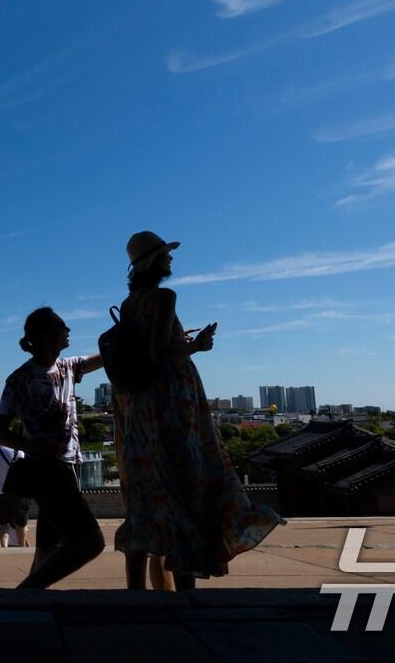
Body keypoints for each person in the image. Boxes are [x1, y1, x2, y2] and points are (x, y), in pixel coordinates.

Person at [113, 232, 283, 591]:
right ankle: (185, 595)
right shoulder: (164, 296)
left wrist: (180, 342)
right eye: (165, 255)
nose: (171, 261)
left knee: (153, 490)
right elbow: (159, 353)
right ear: (153, 261)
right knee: (190, 486)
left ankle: (135, 592)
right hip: (174, 401)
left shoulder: (131, 303)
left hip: (143, 405)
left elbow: (147, 347)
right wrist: (197, 347)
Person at [0, 307, 106, 588]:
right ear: (45, 336)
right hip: (48, 470)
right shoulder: (20, 380)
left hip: (65, 467)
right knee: (90, 542)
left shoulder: (68, 367)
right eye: (62, 327)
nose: (68, 332)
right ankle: (25, 593)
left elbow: (105, 357)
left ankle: (27, 606)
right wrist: (33, 445)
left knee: (46, 546)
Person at [0, 444, 29, 547]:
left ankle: (4, 547)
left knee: (4, 523)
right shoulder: (20, 452)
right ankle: (22, 546)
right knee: (20, 523)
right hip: (17, 491)